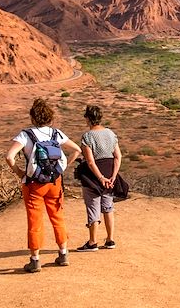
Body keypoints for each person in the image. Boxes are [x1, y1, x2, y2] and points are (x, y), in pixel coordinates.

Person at [5, 98, 81, 273]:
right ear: (50, 118)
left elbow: (9, 156)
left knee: (34, 221)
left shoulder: (26, 135)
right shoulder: (56, 134)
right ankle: (63, 254)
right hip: (54, 182)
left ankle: (35, 260)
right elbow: (77, 149)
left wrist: (19, 172)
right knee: (57, 217)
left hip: (34, 184)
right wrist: (62, 168)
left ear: (33, 118)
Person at [76, 105, 122, 252]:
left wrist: (100, 177)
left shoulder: (87, 136)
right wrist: (113, 176)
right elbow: (118, 156)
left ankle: (92, 242)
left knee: (93, 206)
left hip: (93, 176)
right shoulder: (110, 133)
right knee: (108, 207)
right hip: (109, 173)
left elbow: (90, 161)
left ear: (88, 118)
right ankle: (110, 239)